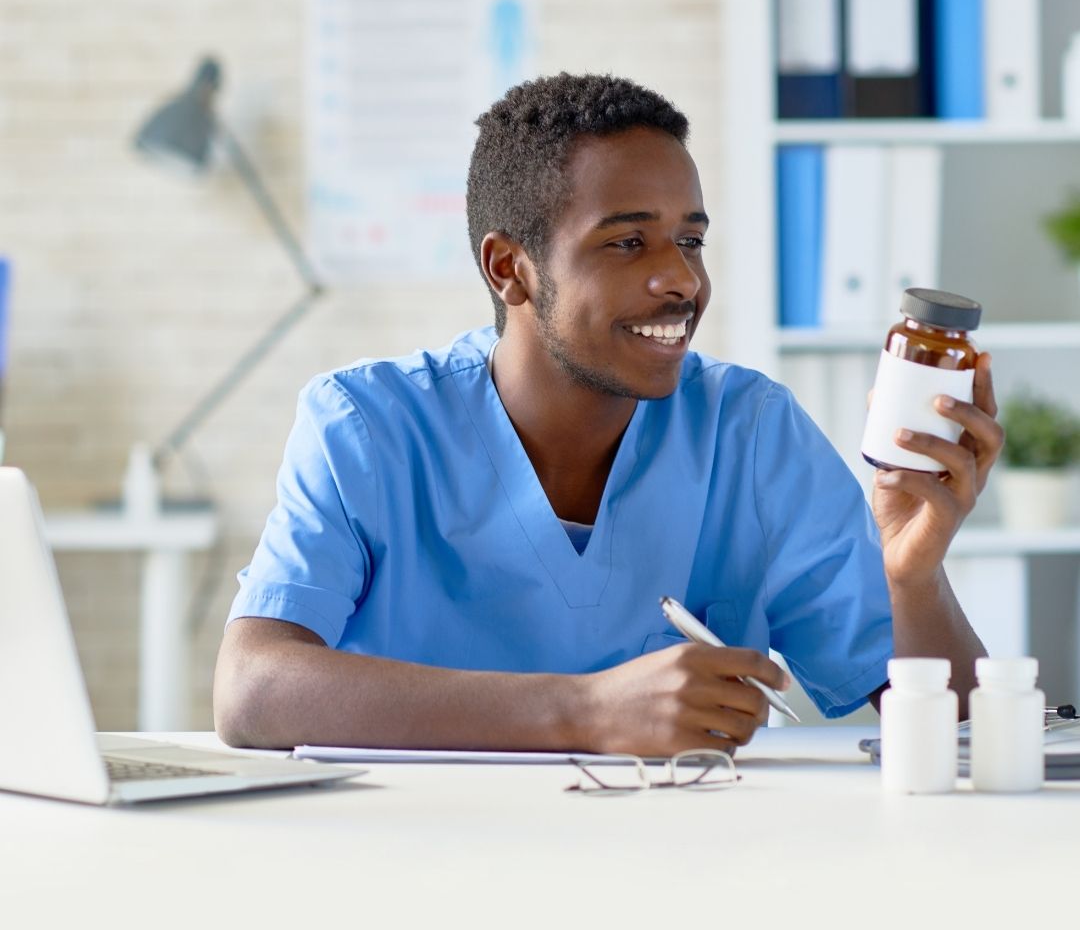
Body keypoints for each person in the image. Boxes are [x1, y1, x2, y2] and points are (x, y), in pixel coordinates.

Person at [214, 73, 1001, 755]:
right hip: (425, 858)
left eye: (690, 240)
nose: (681, 280)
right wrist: (586, 711)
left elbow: (959, 731)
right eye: (628, 244)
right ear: (509, 269)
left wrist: (912, 578)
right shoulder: (368, 427)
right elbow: (252, 690)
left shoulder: (750, 432)